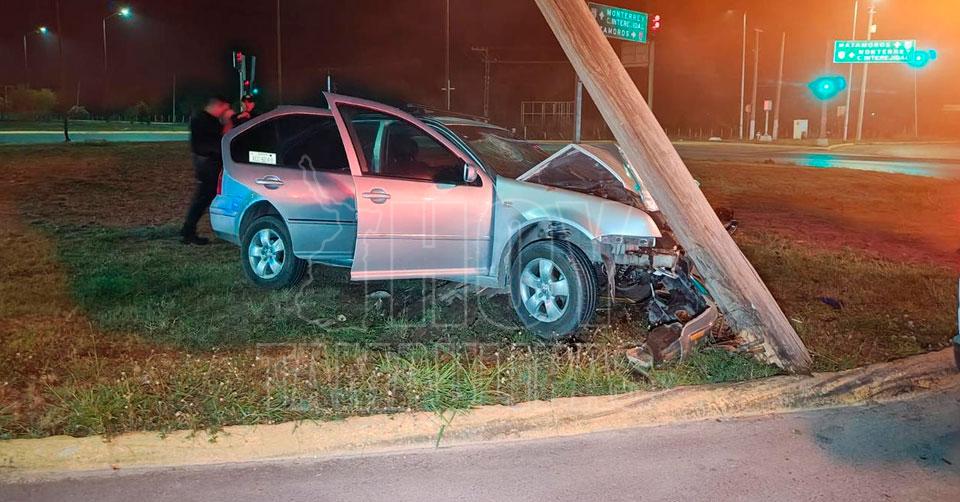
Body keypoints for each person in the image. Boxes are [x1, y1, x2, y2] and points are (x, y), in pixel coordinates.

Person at [180, 95, 234, 245]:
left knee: (203, 198)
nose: (225, 111)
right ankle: (188, 231)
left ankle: (188, 229)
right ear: (218, 105)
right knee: (203, 198)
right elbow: (223, 138)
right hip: (207, 164)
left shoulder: (203, 119)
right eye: (224, 108)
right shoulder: (204, 120)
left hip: (206, 162)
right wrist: (228, 121)